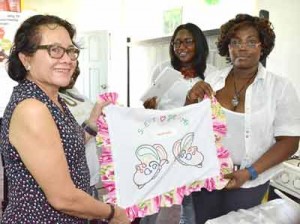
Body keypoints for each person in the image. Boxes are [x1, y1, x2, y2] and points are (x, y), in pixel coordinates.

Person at [0, 14, 130, 223]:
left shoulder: (53, 99)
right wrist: (114, 213)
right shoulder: (32, 109)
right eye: (55, 50)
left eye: (71, 51)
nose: (68, 59)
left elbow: (67, 144)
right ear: (26, 59)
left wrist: (94, 117)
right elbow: (63, 198)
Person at [185, 14, 300, 223]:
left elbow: (290, 141)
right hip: (207, 178)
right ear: (227, 47)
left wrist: (249, 173)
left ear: (262, 46)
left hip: (249, 182)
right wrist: (189, 101)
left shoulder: (280, 87)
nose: (242, 48)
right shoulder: (213, 80)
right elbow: (192, 128)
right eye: (235, 42)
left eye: (250, 41)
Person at [142, 23, 215, 224]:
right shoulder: (162, 68)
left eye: (188, 42)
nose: (181, 47)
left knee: (188, 197)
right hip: (163, 142)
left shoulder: (212, 73)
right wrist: (150, 106)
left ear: (198, 44)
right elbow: (153, 106)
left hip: (194, 145)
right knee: (162, 197)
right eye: (176, 43)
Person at [59, 64, 102, 224]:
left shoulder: (74, 94)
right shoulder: (45, 101)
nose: (73, 69)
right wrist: (92, 124)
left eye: (76, 64)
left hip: (89, 179)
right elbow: (66, 144)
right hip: (70, 187)